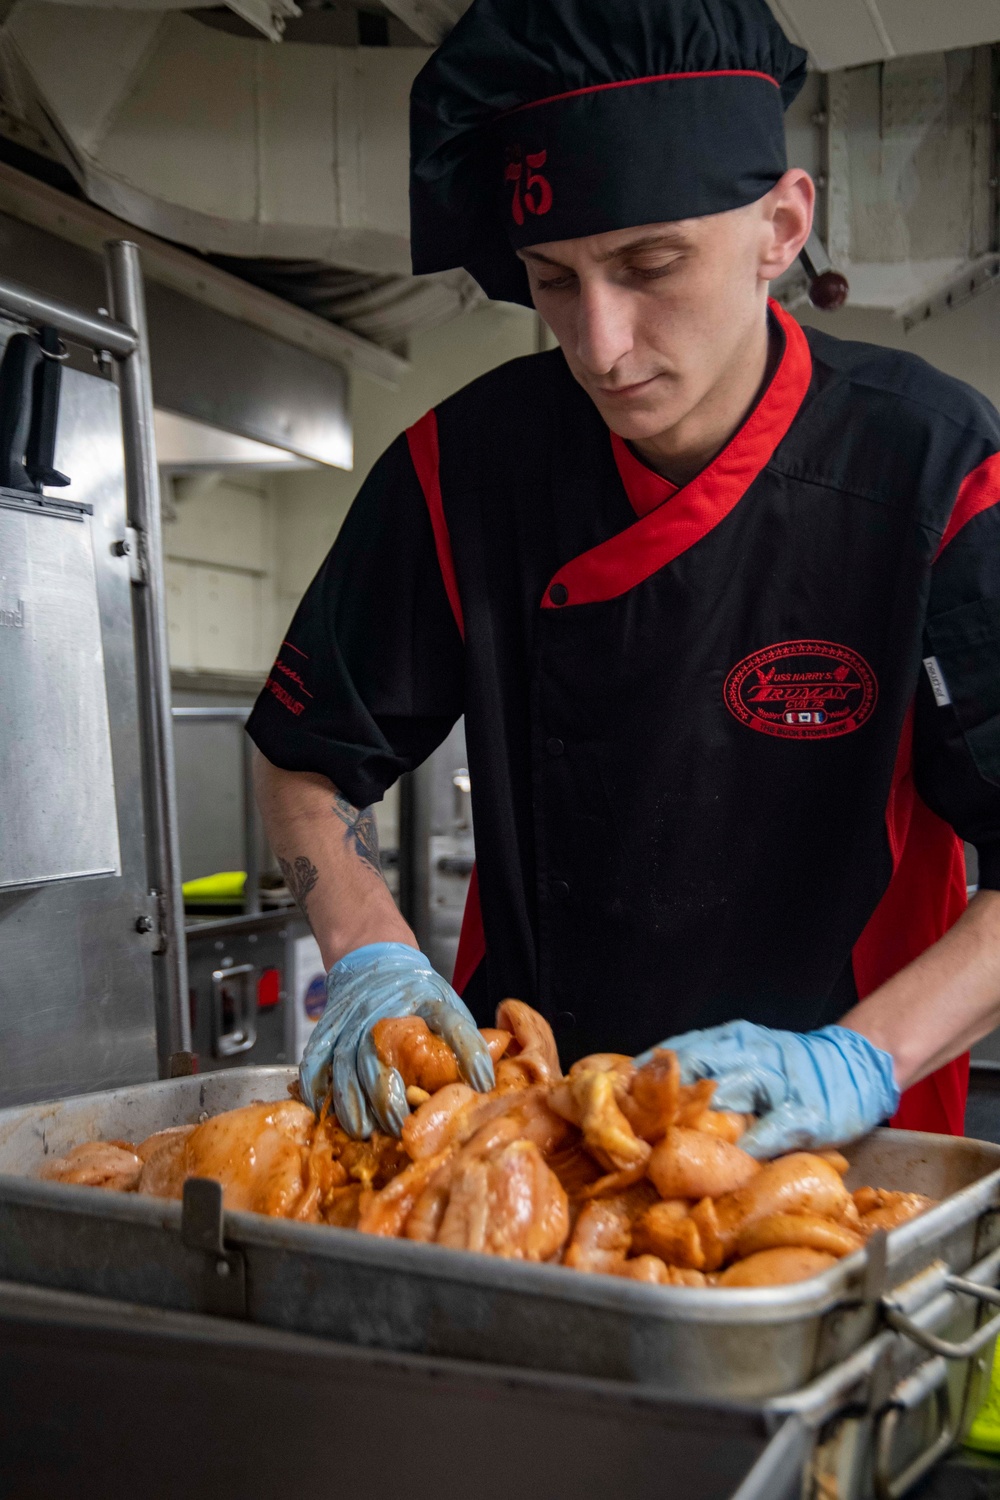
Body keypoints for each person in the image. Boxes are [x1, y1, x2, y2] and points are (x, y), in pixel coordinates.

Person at [248, 0, 1000, 1154]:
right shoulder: (464, 470)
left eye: (650, 265)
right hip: (530, 1137)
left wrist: (860, 1059)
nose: (599, 344)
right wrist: (373, 953)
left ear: (781, 225)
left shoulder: (935, 469)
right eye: (554, 280)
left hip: (837, 1152)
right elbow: (303, 763)